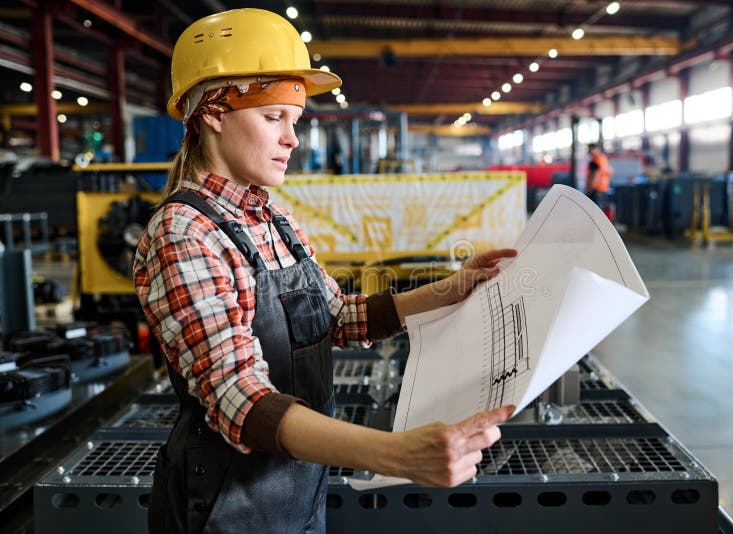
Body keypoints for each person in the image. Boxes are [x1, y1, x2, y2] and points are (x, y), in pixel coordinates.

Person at [134, 8, 517, 534]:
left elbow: (339, 318)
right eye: (273, 118)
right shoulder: (184, 233)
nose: (292, 139)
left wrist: (453, 289)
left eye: (295, 122)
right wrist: (396, 454)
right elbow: (240, 399)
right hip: (224, 507)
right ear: (214, 113)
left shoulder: (273, 218)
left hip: (297, 492)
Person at [586, 142, 612, 211]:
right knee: (601, 210)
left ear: (592, 149)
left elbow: (595, 174)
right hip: (604, 188)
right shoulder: (603, 158)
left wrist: (590, 188)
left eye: (589, 149)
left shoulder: (595, 160)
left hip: (596, 189)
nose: (588, 152)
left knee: (595, 211)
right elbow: (610, 171)